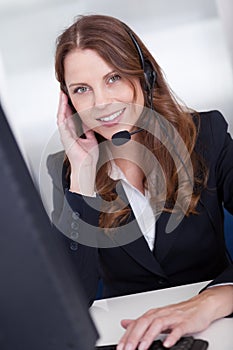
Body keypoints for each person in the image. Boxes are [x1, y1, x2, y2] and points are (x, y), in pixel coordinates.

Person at [46, 14, 233, 350]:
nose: (101, 103)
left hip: (216, 329)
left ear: (144, 76)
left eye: (113, 78)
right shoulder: (70, 170)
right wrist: (83, 177)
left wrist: (214, 300)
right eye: (82, 89)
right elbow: (67, 299)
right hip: (131, 336)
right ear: (69, 102)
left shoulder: (207, 136)